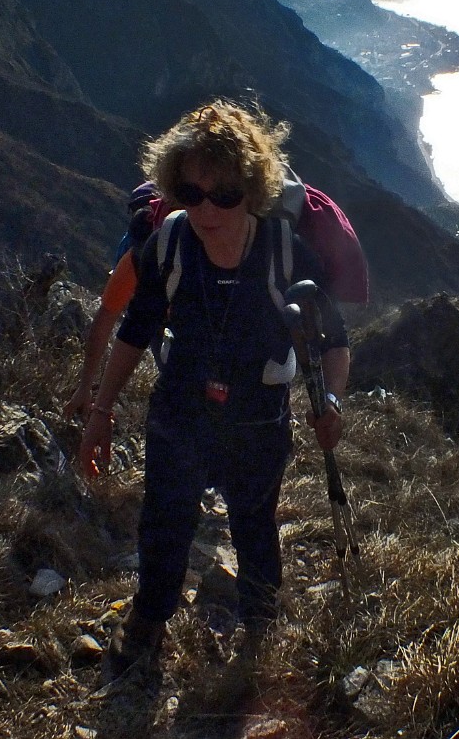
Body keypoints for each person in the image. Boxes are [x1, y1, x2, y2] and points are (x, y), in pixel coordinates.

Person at [72, 100, 350, 679]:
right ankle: (148, 622)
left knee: (254, 525)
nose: (207, 209)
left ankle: (259, 632)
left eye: (224, 195)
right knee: (165, 520)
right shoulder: (169, 243)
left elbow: (334, 341)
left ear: (252, 191)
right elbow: (136, 328)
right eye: (192, 193)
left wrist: (330, 401)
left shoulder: (286, 252)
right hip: (181, 408)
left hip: (257, 418)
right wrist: (100, 409)